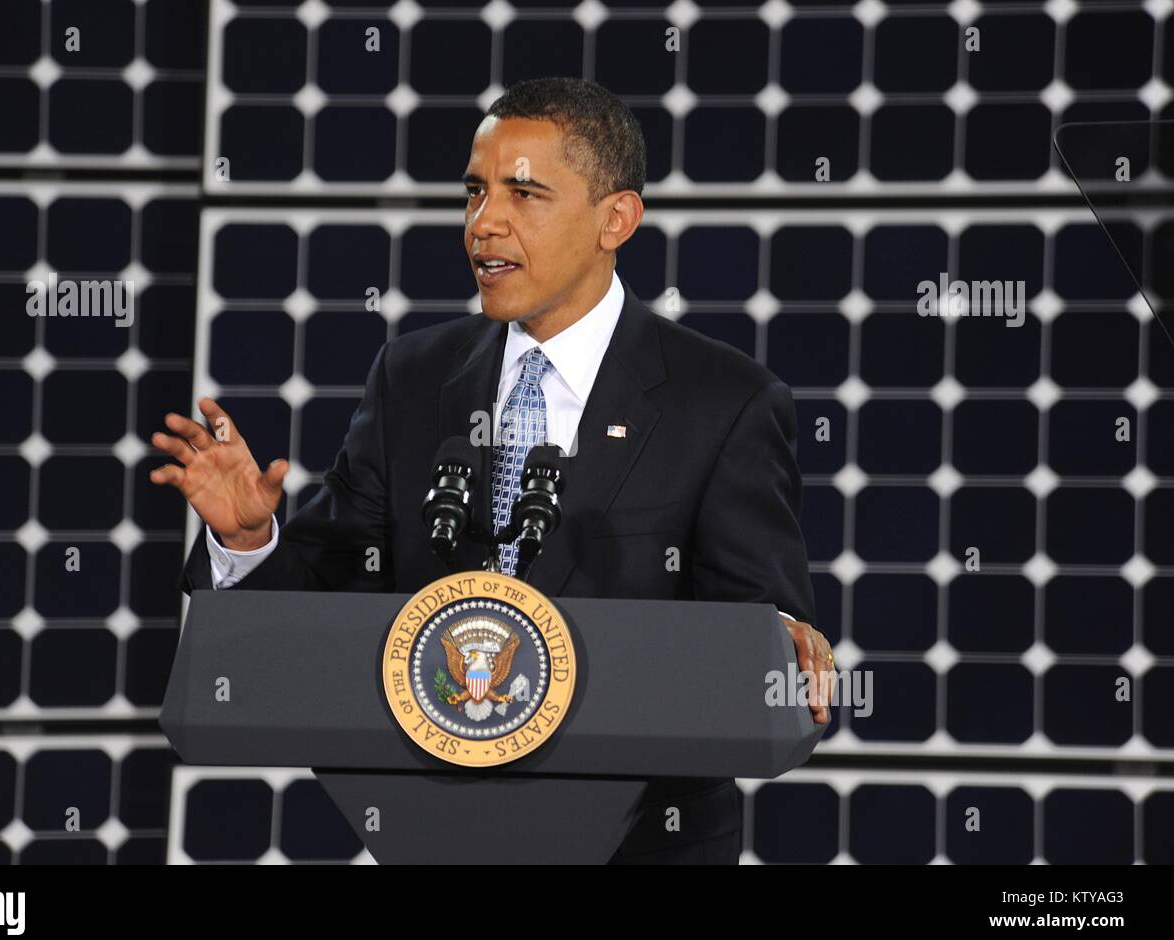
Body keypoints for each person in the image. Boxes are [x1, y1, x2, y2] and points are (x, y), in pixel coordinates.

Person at [152, 76, 835, 864]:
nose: (485, 224)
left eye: (524, 193)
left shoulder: (726, 403)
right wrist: (250, 539)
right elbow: (324, 605)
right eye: (475, 192)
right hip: (431, 831)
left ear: (616, 218)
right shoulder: (411, 376)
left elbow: (766, 652)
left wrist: (778, 645)